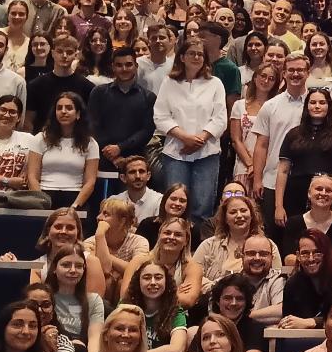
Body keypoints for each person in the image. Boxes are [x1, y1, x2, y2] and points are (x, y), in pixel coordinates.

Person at [153, 37, 227, 220]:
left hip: (207, 152)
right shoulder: (169, 82)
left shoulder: (215, 83)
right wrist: (185, 138)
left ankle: (197, 239)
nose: (196, 57)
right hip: (176, 152)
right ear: (182, 57)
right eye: (192, 53)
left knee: (202, 206)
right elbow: (160, 116)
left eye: (200, 54)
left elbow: (220, 118)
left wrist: (199, 139)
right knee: (175, 206)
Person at [250, 54, 311, 238]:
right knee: (273, 235)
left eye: (300, 70)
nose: (295, 74)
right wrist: (258, 179)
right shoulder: (270, 106)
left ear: (308, 73)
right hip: (272, 180)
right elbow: (261, 145)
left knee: (302, 236)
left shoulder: (316, 104)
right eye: (291, 70)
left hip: (306, 181)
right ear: (283, 73)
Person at [273, 88, 332, 228]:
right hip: (295, 196)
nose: (317, 106)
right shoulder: (293, 134)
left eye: (322, 102)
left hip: (327, 195)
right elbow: (283, 171)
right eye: (313, 102)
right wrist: (279, 206)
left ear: (329, 106)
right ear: (306, 106)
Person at [87, 45, 156, 185]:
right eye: (119, 65)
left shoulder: (148, 97)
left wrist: (120, 148)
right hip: (101, 158)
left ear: (136, 66)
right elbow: (93, 125)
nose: (124, 69)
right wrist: (112, 155)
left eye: (128, 64)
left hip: (135, 161)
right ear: (113, 67)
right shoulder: (99, 93)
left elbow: (147, 130)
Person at [278, 230, 332, 330]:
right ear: (298, 256)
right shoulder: (293, 284)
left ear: (327, 253)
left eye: (317, 252)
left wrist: (312, 322)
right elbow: (287, 322)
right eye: (305, 253)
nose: (311, 259)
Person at [26, 91, 99, 210]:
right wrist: (41, 202)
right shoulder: (40, 138)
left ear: (78, 114)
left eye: (69, 108)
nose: (63, 111)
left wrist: (74, 207)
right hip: (43, 196)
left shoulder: (90, 143)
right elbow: (32, 176)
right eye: (59, 108)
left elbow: (90, 182)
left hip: (76, 197)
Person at [121, 216, 202, 310]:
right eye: (167, 233)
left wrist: (146, 292)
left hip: (174, 315)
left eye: (178, 235)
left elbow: (188, 300)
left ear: (186, 241)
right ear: (159, 236)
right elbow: (125, 296)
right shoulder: (138, 261)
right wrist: (173, 293)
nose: (171, 237)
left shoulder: (192, 267)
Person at [44, 241, 104, 352]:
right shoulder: (44, 299)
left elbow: (94, 339)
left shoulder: (93, 300)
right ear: (54, 268)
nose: (73, 270)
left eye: (78, 266)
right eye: (66, 265)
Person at [281, 175, 332, 266]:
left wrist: (305, 259)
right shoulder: (293, 223)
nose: (323, 193)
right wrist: (323, 261)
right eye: (319, 189)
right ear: (309, 193)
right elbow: (289, 260)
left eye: (329, 190)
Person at [122, 261, 189, 352]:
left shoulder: (174, 311)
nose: (153, 282)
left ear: (166, 281)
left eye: (158, 277)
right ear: (138, 281)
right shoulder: (126, 305)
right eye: (147, 278)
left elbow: (177, 349)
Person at [23, 35, 93, 133]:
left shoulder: (87, 87)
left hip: (76, 139)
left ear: (76, 55)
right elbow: (28, 121)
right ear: (52, 53)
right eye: (60, 51)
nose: (64, 56)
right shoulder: (35, 85)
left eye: (69, 52)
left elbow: (89, 120)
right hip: (42, 139)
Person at [85, 198, 148, 302]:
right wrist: (100, 236)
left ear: (122, 221)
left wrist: (109, 257)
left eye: (106, 214)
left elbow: (138, 270)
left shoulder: (139, 241)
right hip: (100, 299)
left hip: (130, 298)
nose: (98, 217)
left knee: (122, 282)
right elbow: (105, 269)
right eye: (100, 213)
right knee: (108, 281)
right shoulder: (91, 241)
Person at [108, 155, 162, 224]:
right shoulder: (113, 201)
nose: (138, 176)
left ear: (148, 176)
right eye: (132, 172)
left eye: (141, 171)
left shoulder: (159, 200)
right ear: (123, 178)